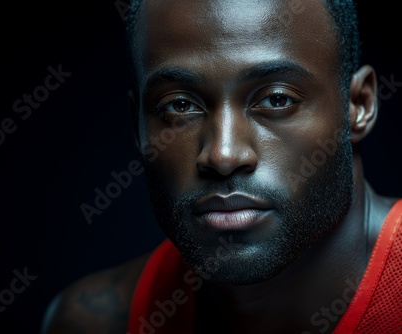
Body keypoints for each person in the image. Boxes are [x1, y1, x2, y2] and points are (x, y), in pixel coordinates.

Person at [42, 0, 402, 333]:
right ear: (137, 125)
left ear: (359, 105)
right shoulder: (94, 322)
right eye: (179, 106)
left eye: (276, 99)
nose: (222, 155)